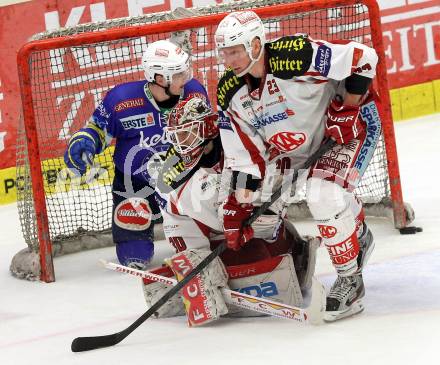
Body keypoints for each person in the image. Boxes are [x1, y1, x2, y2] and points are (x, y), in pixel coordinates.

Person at [214, 10, 381, 321]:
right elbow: (245, 158)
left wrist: (347, 107)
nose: (229, 59)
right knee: (258, 215)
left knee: (322, 194)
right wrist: (238, 209)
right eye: (224, 52)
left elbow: (364, 57)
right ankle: (347, 235)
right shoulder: (230, 93)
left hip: (343, 129)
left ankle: (350, 279)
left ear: (254, 45)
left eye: (235, 51)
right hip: (298, 148)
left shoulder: (294, 56)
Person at [141, 94, 320, 326]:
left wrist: (248, 214)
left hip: (240, 224)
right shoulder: (175, 170)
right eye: (177, 136)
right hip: (205, 232)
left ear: (206, 130)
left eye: (186, 133)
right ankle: (199, 269)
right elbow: (177, 218)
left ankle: (284, 251)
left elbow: (266, 180)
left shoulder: (234, 143)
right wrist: (195, 263)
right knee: (247, 248)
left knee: (269, 230)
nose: (181, 143)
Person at [64, 40, 209, 270]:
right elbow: (97, 130)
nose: (187, 78)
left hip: (182, 181)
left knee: (200, 250)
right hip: (134, 184)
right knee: (134, 259)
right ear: (160, 79)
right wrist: (85, 142)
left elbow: (208, 136)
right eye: (180, 74)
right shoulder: (121, 101)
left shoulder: (194, 93)